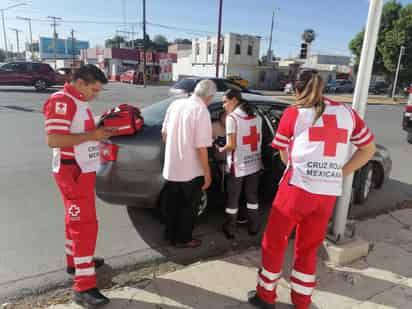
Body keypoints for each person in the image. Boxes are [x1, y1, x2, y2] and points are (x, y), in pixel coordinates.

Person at [248, 70, 376, 309]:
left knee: (274, 242)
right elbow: (368, 150)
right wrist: (338, 172)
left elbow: (284, 155)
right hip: (326, 195)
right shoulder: (348, 113)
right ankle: (302, 301)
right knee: (308, 249)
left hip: (295, 191)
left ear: (296, 89)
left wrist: (304, 169)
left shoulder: (294, 113)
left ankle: (265, 296)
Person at [43, 65, 116, 307]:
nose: (96, 95)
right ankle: (83, 287)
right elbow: (53, 139)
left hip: (80, 169)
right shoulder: (62, 101)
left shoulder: (77, 100)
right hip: (72, 171)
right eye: (94, 89)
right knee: (84, 225)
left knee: (74, 220)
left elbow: (78, 132)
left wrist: (97, 130)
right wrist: (92, 136)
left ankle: (75, 262)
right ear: (81, 82)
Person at [161, 79, 216, 248]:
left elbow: (164, 134)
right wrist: (207, 173)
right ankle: (183, 239)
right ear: (210, 96)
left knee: (172, 205)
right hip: (191, 172)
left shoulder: (176, 104)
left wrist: (175, 149)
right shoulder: (201, 111)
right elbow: (201, 147)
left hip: (172, 168)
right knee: (188, 208)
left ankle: (169, 235)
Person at [218, 89, 263, 239]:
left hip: (238, 165)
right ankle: (254, 226)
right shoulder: (257, 115)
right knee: (252, 197)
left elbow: (231, 146)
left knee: (233, 198)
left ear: (234, 100)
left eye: (225, 101)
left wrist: (219, 148)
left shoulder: (232, 118)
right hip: (255, 162)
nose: (223, 105)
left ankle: (230, 228)